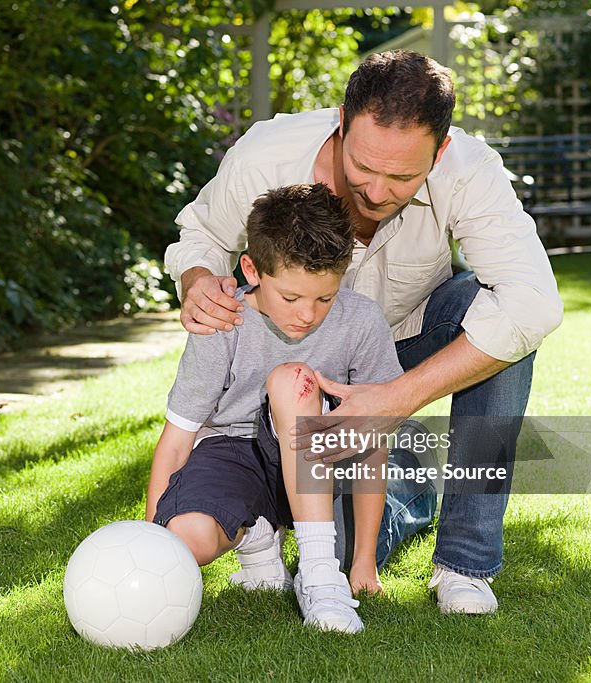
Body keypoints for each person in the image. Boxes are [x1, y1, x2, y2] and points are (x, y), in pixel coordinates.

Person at [164, 50, 564, 615]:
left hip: (398, 350)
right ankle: (404, 482)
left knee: (504, 328)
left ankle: (464, 565)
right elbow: (201, 234)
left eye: (402, 176)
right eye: (363, 167)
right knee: (331, 547)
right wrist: (199, 278)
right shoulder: (266, 154)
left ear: (440, 151)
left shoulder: (470, 170)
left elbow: (534, 304)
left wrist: (393, 399)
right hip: (282, 365)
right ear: (342, 126)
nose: (376, 192)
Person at [145, 183, 436, 633]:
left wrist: (362, 564)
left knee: (292, 379)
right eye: (292, 298)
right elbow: (177, 440)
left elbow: (373, 444)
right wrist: (150, 548)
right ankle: (259, 538)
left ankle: (322, 577)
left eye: (325, 297)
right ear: (252, 269)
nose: (308, 315)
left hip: (325, 462)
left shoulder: (361, 321)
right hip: (234, 453)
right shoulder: (222, 320)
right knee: (185, 539)